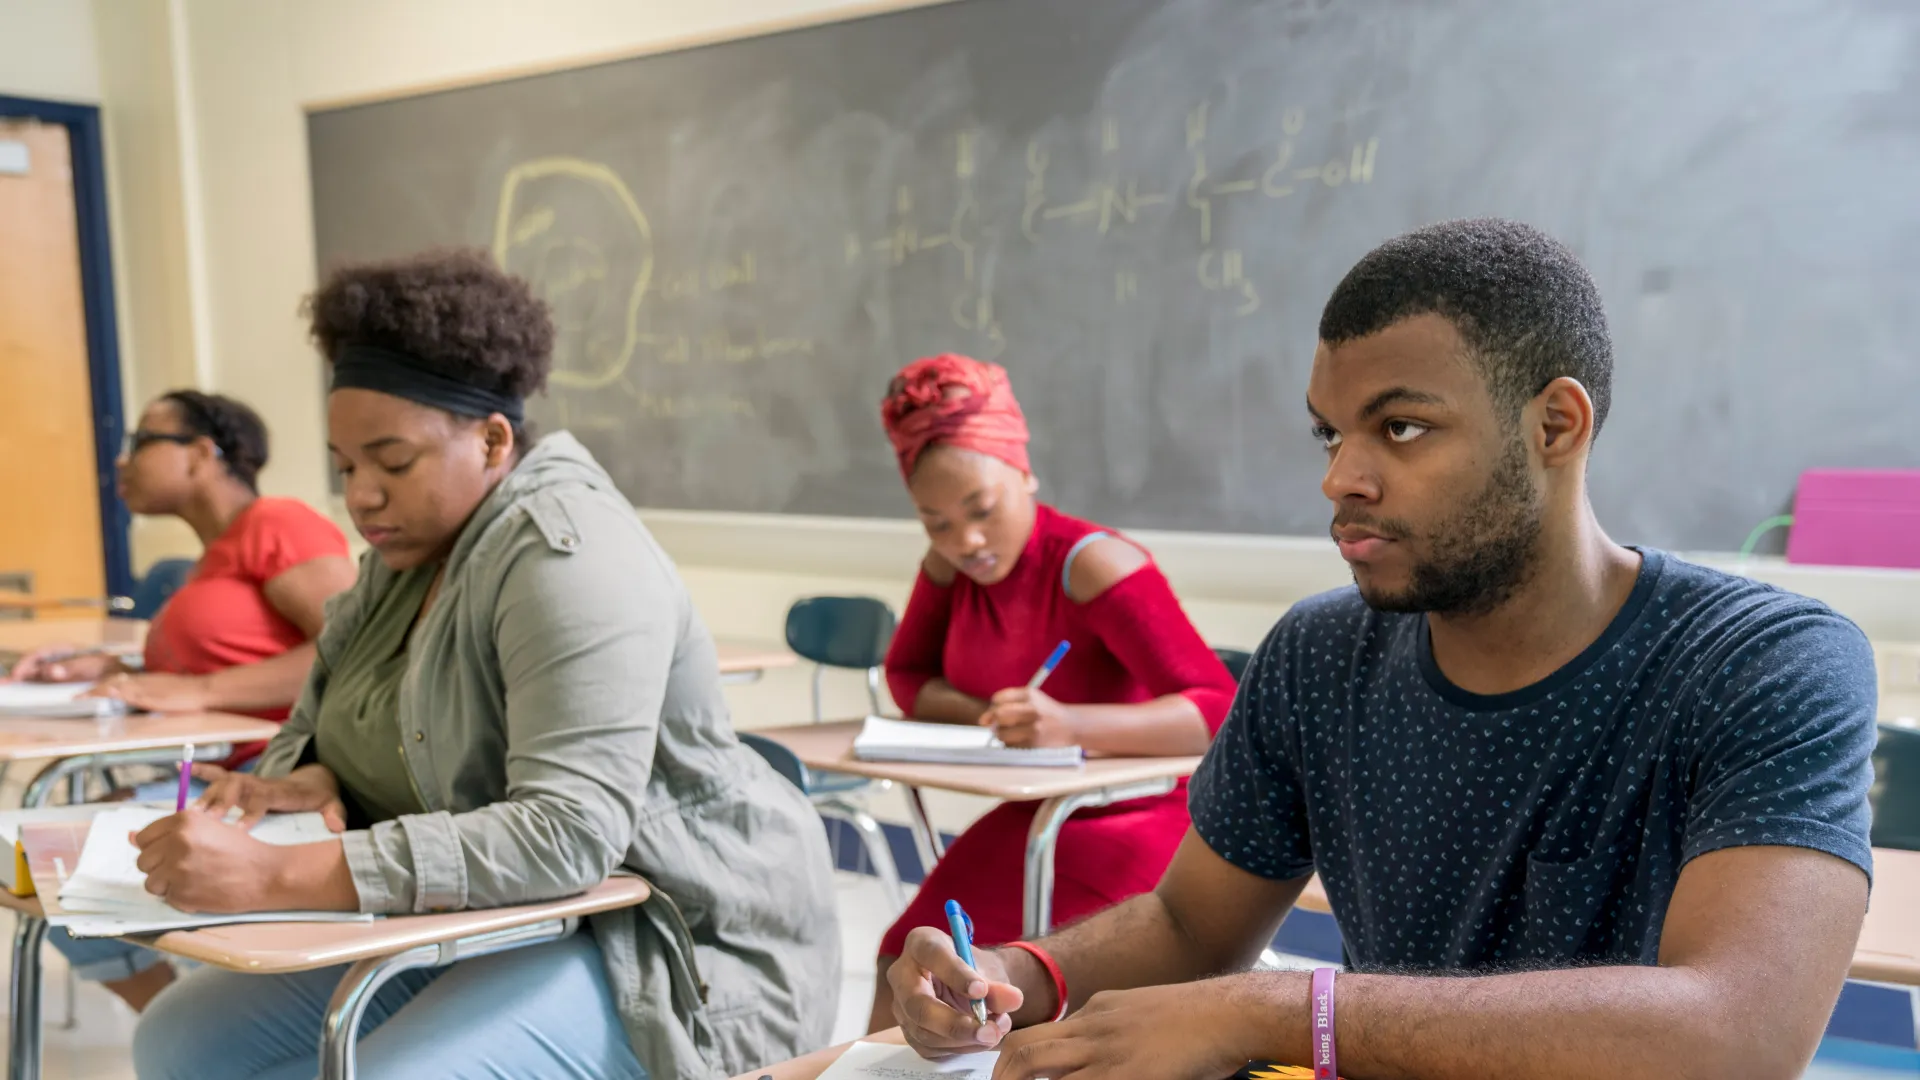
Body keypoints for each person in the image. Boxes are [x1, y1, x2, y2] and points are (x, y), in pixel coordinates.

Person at [885, 220, 1877, 1079]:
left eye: (1401, 427)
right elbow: (1192, 926)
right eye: (1329, 436)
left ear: (1556, 425)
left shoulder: (1766, 664)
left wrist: (1276, 1011)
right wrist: (1019, 975)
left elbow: (1736, 1036)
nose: (1343, 478)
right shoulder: (1320, 656)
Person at [125, 249, 840, 1080]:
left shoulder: (569, 555)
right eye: (347, 466)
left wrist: (281, 872)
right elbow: (307, 731)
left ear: (494, 440)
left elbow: (568, 836)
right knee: (177, 1040)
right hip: (498, 916)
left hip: (659, 937)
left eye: (394, 463)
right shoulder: (402, 558)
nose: (361, 497)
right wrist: (312, 782)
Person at [870, 353, 1239, 1031]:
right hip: (1037, 812)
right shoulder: (948, 568)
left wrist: (1069, 724)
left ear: (1024, 472)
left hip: (1137, 813)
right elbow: (905, 677)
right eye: (937, 523)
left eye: (981, 509)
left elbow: (1218, 708)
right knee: (904, 960)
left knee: (984, 984)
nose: (967, 541)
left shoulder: (1094, 563)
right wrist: (988, 712)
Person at [7, 390, 354, 1013]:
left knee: (58, 856)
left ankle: (198, 1017)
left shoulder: (277, 523)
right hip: (225, 771)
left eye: (140, 443)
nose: (121, 464)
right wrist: (120, 665)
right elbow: (225, 655)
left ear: (200, 455)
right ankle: (179, 1014)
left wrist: (198, 691)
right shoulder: (211, 559)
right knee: (44, 858)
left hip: (275, 778)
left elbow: (350, 650)